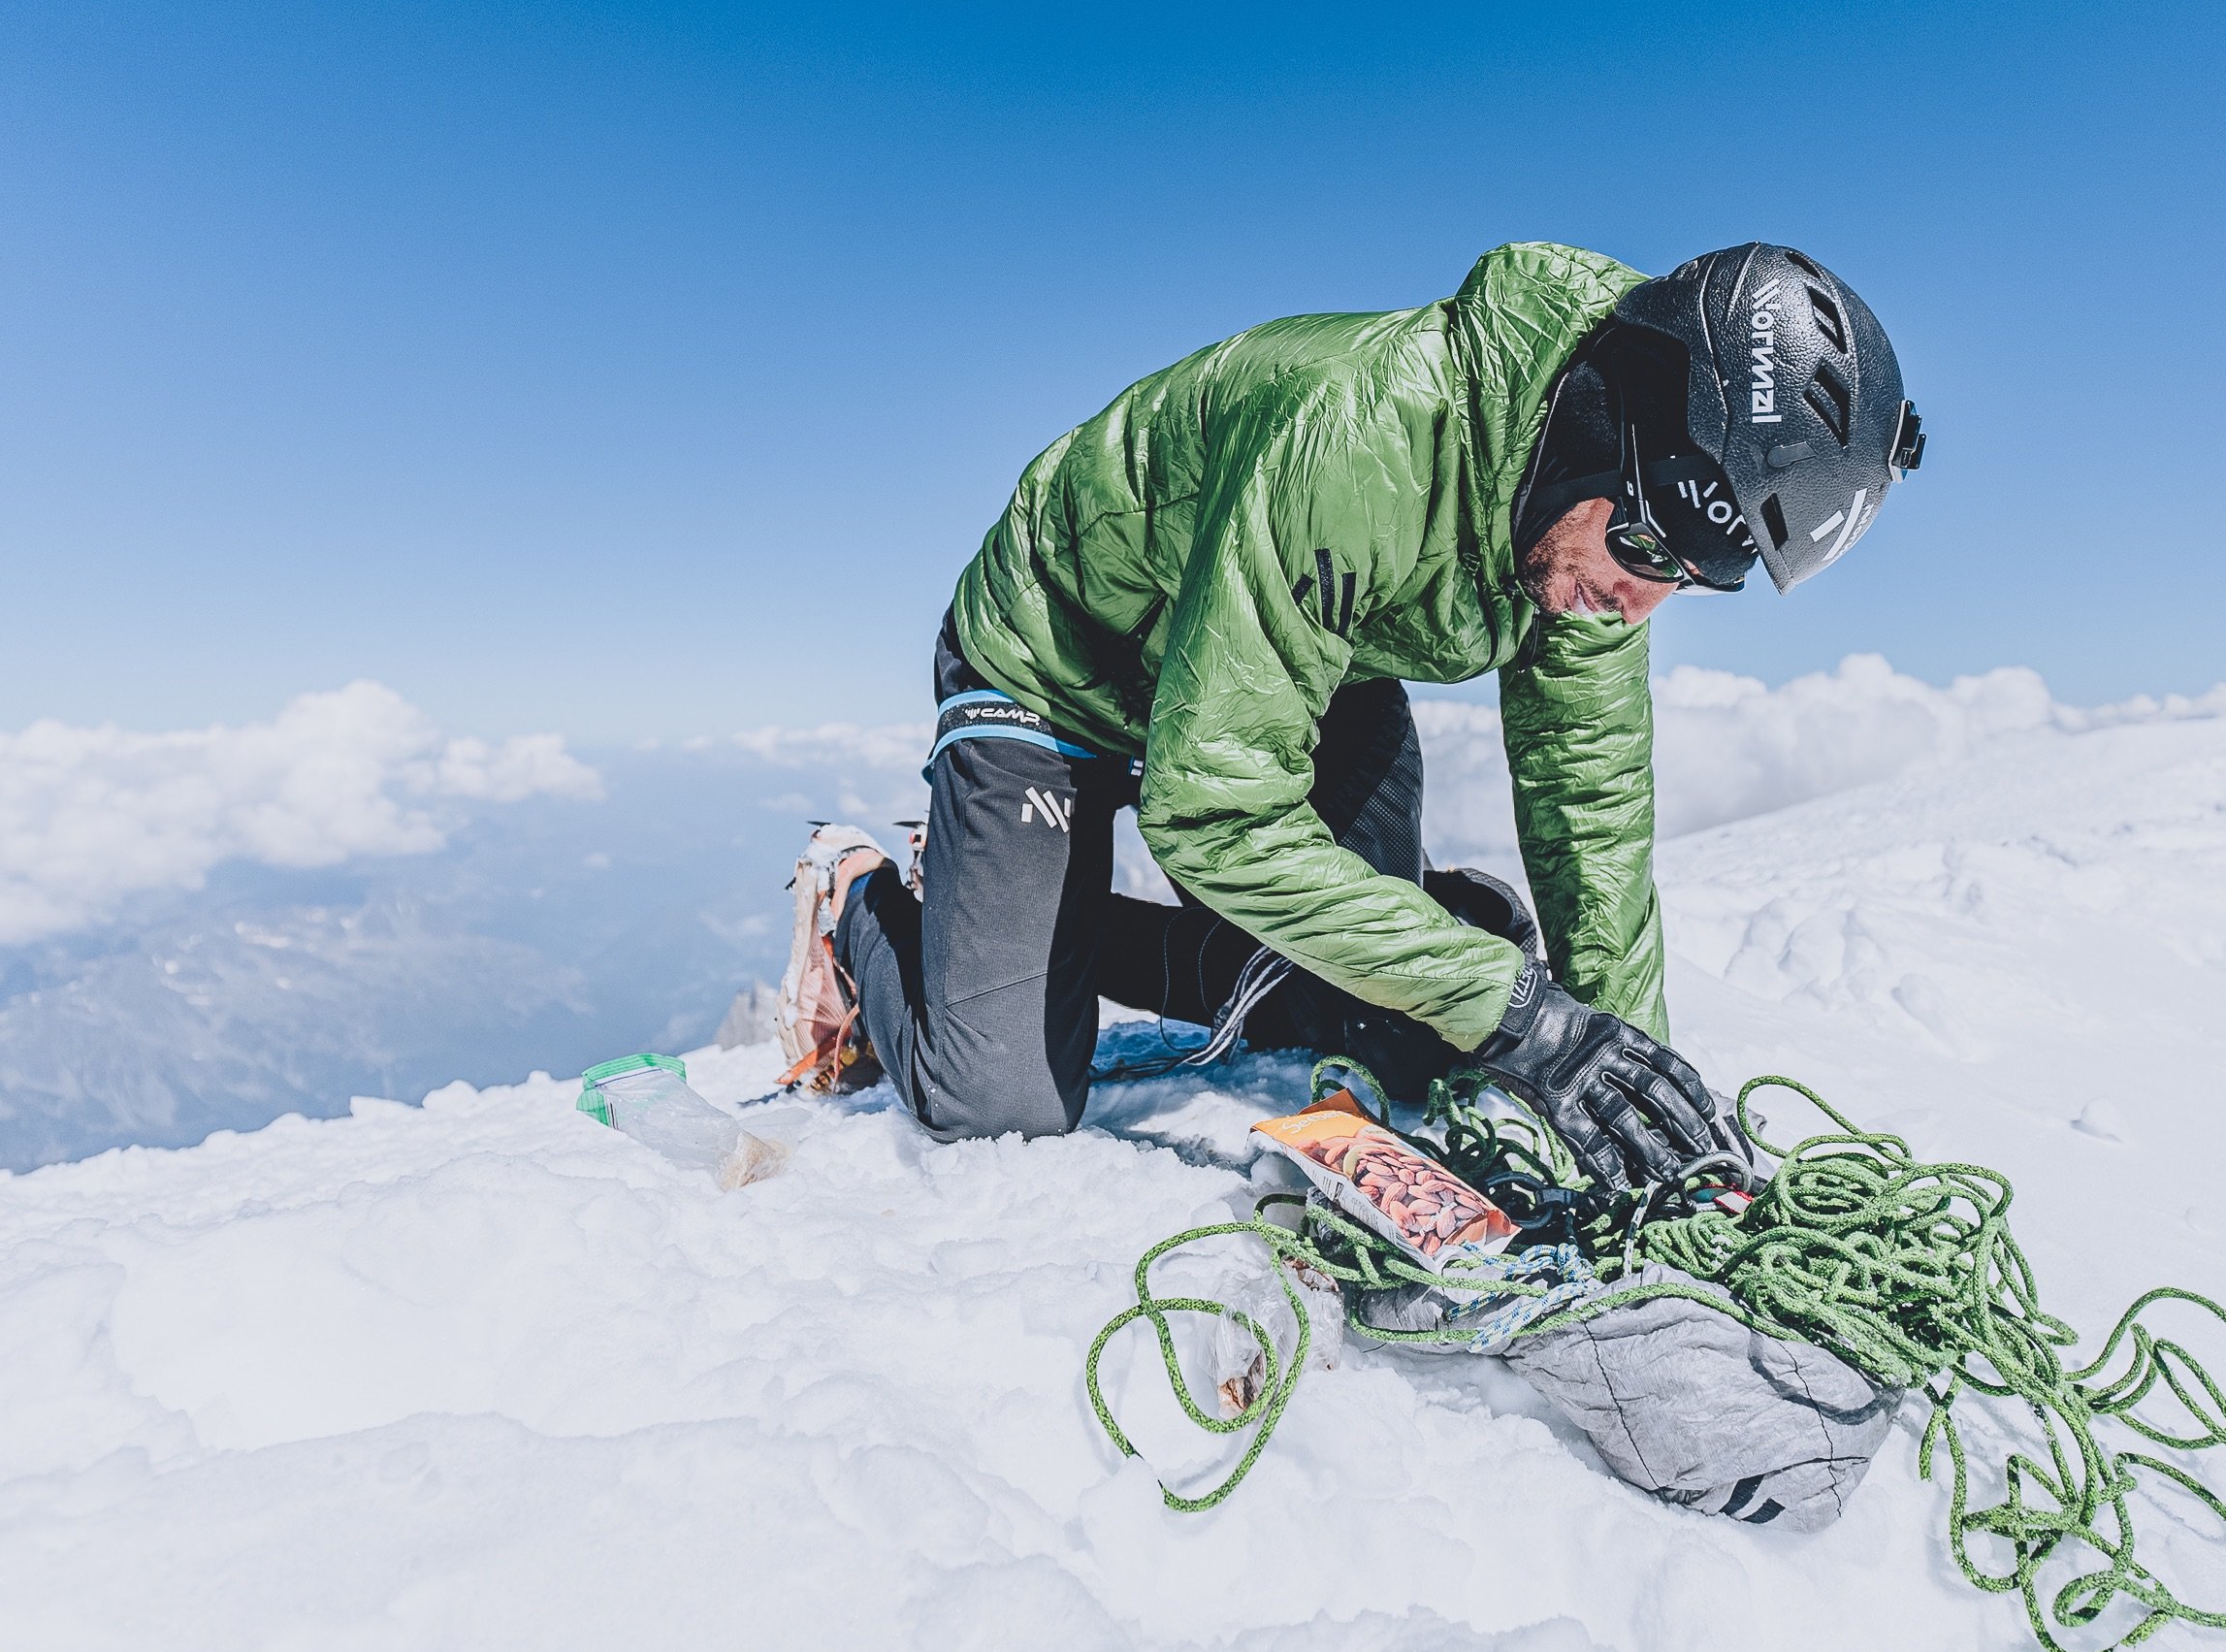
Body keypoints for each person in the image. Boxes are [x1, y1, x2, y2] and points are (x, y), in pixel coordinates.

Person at [823, 242, 1922, 1190]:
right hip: (1053, 668)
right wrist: (1522, 1014)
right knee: (996, 1100)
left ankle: (1034, 924)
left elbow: (1590, 813)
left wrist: (1627, 1077)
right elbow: (1215, 814)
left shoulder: (1604, 534)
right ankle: (866, 894)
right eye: (1643, 550)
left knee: (1378, 1023)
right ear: (1597, 422)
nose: (1641, 598)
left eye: (1695, 576)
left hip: (1290, 678)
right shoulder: (1362, 434)